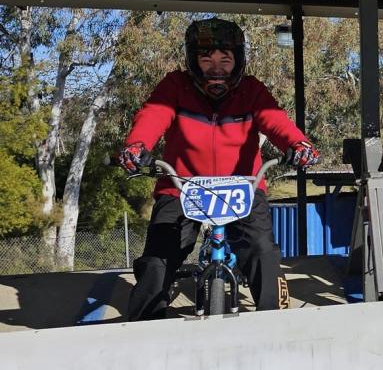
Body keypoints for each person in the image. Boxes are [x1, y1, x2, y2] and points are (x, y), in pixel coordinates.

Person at [117, 17, 319, 320]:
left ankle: (277, 323)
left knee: (262, 251)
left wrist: (298, 144)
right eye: (206, 59)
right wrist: (136, 145)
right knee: (158, 259)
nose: (216, 68)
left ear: (238, 61)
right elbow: (153, 115)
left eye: (225, 60)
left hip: (243, 186)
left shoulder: (251, 91)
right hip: (182, 186)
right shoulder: (175, 86)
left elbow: (276, 120)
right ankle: (143, 327)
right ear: (192, 60)